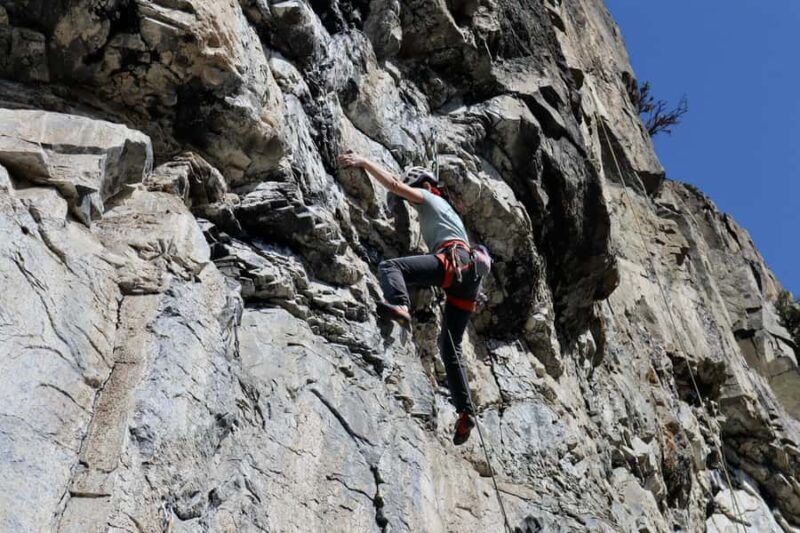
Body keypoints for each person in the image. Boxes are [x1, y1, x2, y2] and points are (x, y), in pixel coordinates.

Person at [338, 152, 484, 445]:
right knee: (449, 346)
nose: (413, 198)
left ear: (425, 186)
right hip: (469, 280)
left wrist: (365, 162)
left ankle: (401, 305)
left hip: (452, 264)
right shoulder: (452, 216)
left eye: (416, 188)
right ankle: (465, 411)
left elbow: (393, 185)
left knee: (391, 267)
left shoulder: (431, 199)